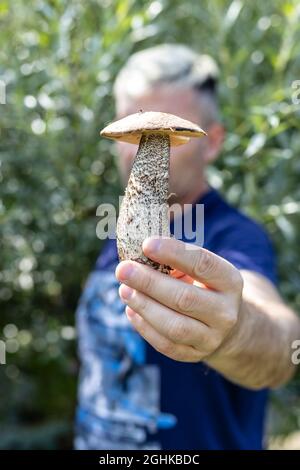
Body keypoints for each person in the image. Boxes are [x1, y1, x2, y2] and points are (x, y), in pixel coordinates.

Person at [74, 44, 300, 450]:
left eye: (164, 136)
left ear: (212, 142)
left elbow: (279, 344)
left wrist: (235, 332)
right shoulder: (122, 232)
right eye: (133, 131)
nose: (137, 148)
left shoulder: (235, 236)